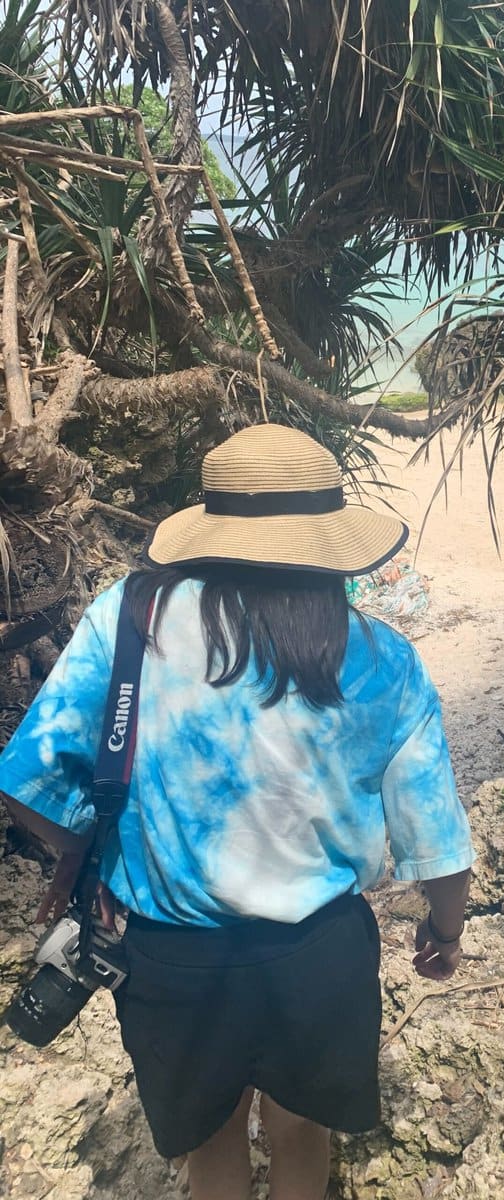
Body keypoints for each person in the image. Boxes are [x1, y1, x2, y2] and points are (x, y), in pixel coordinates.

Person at [0, 424, 474, 1200]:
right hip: (319, 952)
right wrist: (445, 931)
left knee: (210, 1147)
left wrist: (82, 855)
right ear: (330, 540)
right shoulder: (382, 656)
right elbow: (438, 839)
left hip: (167, 955)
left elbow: (26, 779)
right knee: (301, 1134)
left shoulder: (130, 617)